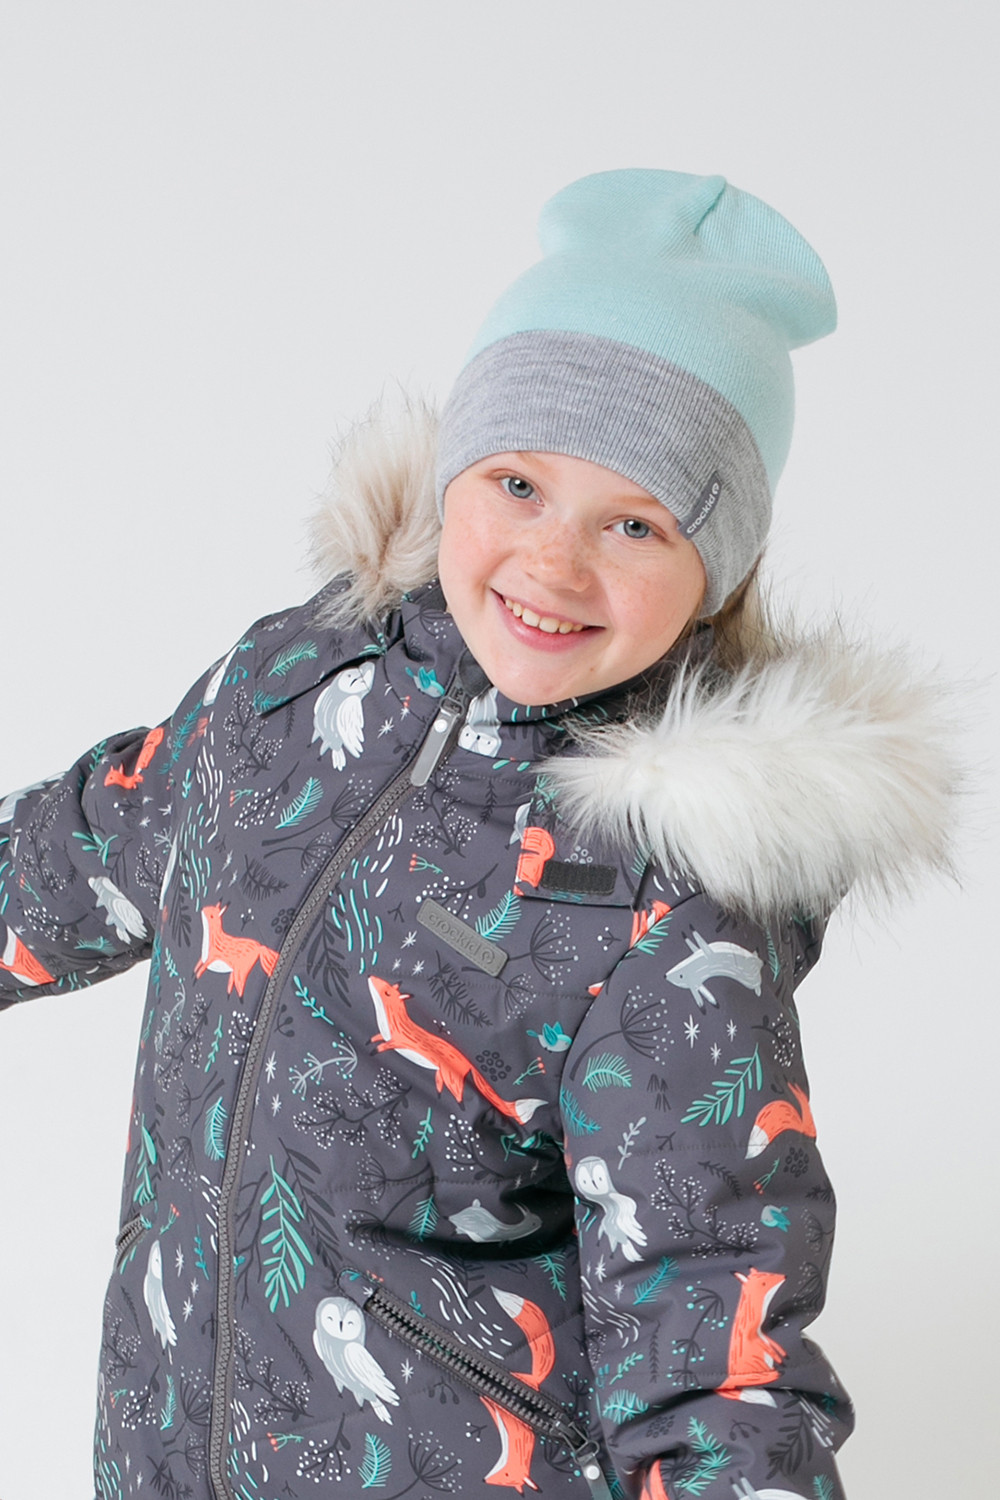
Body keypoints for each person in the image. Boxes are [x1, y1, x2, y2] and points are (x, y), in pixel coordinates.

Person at [0, 169, 955, 1500]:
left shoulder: (660, 901)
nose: (554, 565)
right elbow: (68, 859)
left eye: (635, 523)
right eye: (518, 483)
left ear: (715, 574)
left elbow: (712, 1327)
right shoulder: (285, 697)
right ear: (454, 474)